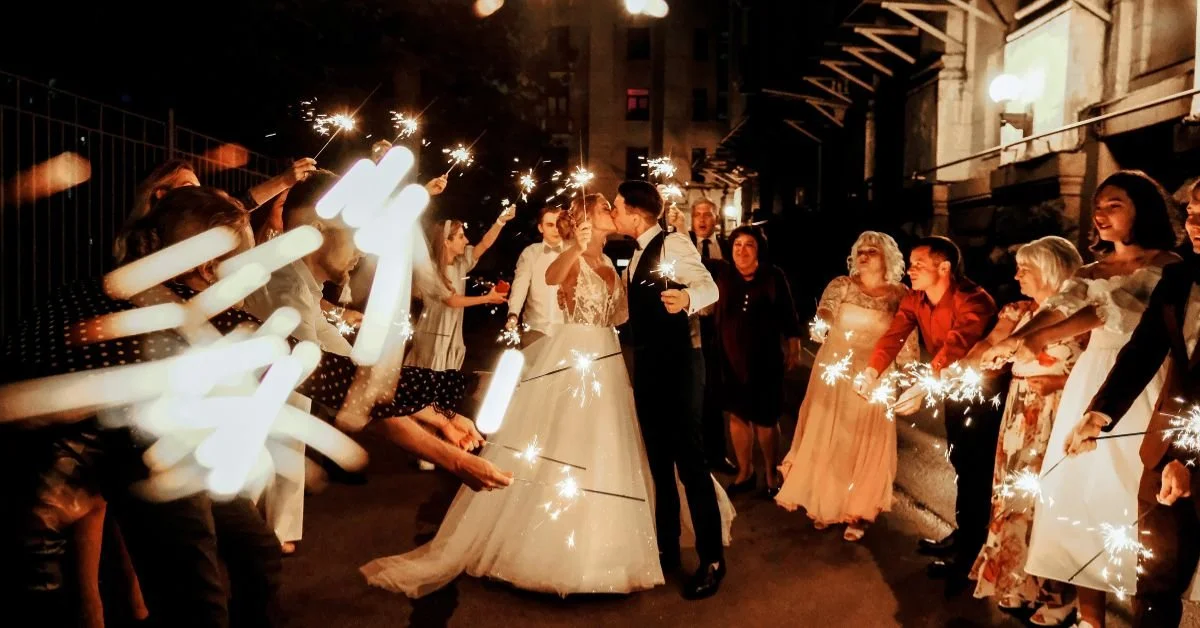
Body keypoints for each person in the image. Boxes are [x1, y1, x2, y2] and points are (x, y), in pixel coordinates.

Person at [983, 170, 1182, 628]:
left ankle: (1146, 608)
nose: (1100, 213)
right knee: (1078, 498)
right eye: (1098, 205)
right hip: (1093, 383)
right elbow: (1063, 312)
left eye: (1114, 204)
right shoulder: (1090, 272)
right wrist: (1020, 340)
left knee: (1137, 502)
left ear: (1141, 210)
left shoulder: (1171, 265)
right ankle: (1091, 619)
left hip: (1148, 383)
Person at [1066, 180, 1200, 628]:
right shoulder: (1181, 275)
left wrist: (1193, 463)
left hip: (1191, 456)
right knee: (1155, 583)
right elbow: (1145, 348)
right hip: (1164, 448)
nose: (1193, 223)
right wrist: (1098, 415)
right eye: (1190, 213)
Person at [854, 235, 1001, 592]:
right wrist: (872, 370)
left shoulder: (974, 300)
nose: (911, 268)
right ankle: (965, 534)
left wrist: (923, 384)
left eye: (919, 262)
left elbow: (958, 344)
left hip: (981, 392)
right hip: (947, 387)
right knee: (959, 461)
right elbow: (894, 334)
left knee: (977, 470)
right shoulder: (915, 299)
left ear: (944, 267)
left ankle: (971, 554)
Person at [612, 180, 728, 600]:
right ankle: (666, 551)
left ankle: (713, 560)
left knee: (691, 464)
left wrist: (687, 297)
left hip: (680, 366)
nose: (613, 212)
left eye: (617, 206)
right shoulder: (635, 254)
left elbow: (711, 288)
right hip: (649, 367)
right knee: (658, 464)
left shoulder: (673, 244)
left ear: (637, 212)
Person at [960, 236, 1084, 619]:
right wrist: (977, 359)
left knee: (1051, 503)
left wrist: (1060, 383)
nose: (1016, 276)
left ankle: (1059, 596)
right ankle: (1019, 583)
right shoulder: (1018, 311)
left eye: (1025, 268)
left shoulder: (1084, 313)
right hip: (1020, 416)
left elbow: (1101, 368)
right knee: (1015, 500)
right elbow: (991, 346)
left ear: (1049, 269)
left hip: (1062, 414)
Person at [776, 231, 913, 541]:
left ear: (886, 258)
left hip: (874, 374)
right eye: (860, 251)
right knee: (832, 435)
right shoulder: (842, 285)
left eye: (872, 252)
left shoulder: (898, 294)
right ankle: (825, 504)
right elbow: (826, 308)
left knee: (865, 439)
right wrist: (822, 322)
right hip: (835, 371)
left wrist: (908, 374)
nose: (864, 256)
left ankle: (857, 510)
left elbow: (905, 333)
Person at [712, 226, 802, 498]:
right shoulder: (722, 274)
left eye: (748, 245)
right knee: (738, 416)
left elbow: (788, 313)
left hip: (765, 359)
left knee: (765, 418)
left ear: (758, 249)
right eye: (737, 245)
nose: (742, 250)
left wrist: (793, 344)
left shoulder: (773, 276)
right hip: (730, 357)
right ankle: (745, 471)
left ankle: (771, 472)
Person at [112, 157, 317, 264]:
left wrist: (284, 181)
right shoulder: (138, 246)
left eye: (199, 188)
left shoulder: (200, 230)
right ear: (161, 195)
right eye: (188, 187)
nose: (198, 194)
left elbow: (241, 203)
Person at [671, 199, 737, 475]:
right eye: (696, 214)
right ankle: (690, 453)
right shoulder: (680, 244)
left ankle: (718, 453)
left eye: (706, 215)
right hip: (691, 325)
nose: (701, 219)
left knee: (716, 394)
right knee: (692, 392)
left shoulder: (730, 245)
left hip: (721, 328)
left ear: (715, 219)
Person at [406, 212, 513, 371]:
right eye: (461, 237)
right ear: (447, 242)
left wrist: (500, 222)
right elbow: (452, 300)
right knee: (427, 377)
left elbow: (484, 244)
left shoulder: (460, 263)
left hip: (451, 334)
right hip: (433, 334)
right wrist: (486, 298)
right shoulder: (431, 270)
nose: (467, 241)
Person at [504, 205, 566, 347]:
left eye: (558, 225)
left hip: (565, 329)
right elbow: (520, 285)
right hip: (535, 328)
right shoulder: (530, 253)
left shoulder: (572, 251)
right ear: (540, 227)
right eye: (550, 225)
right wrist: (513, 314)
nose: (555, 229)